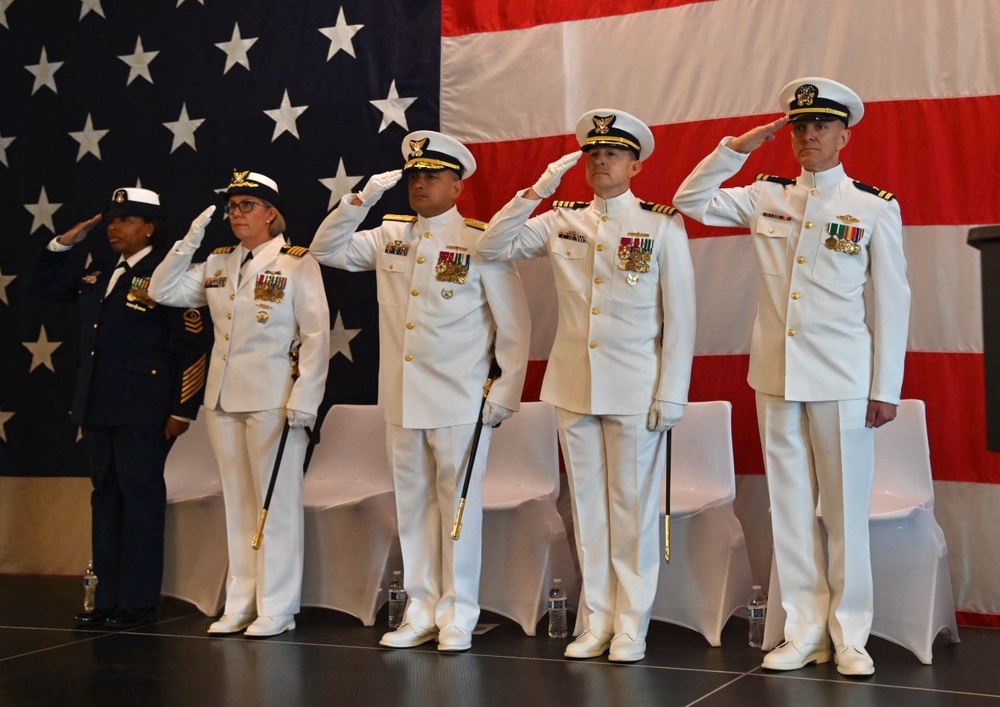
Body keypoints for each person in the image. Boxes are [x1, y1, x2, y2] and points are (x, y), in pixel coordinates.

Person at [672, 77, 910, 676]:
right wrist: (737, 147)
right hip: (775, 377)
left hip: (843, 380)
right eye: (800, 126)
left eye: (821, 125)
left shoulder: (872, 205)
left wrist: (885, 387)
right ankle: (803, 629)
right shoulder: (764, 195)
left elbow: (894, 300)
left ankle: (850, 633)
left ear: (843, 135)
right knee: (791, 506)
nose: (808, 135)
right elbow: (690, 200)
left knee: (846, 511)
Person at [476, 109, 696, 663]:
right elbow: (492, 246)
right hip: (575, 386)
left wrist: (672, 391)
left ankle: (631, 623)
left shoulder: (661, 224)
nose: (601, 161)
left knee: (632, 508)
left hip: (636, 389)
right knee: (589, 509)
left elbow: (682, 317)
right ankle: (596, 618)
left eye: (614, 154)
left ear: (635, 164)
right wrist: (537, 189)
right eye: (595, 154)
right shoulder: (559, 220)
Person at [310, 131, 530, 652]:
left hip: (459, 398)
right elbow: (326, 249)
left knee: (456, 507)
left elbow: (514, 325)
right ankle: (420, 607)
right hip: (403, 398)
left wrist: (505, 390)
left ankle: (458, 613)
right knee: (412, 507)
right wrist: (361, 198)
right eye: (414, 175)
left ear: (457, 185)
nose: (419, 183)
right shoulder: (390, 234)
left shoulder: (482, 238)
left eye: (432, 175)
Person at [148, 171, 329, 638]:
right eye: (232, 207)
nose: (236, 214)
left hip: (274, 399)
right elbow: (160, 291)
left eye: (247, 205)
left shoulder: (295, 262)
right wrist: (188, 242)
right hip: (223, 398)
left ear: (271, 212)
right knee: (239, 504)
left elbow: (314, 336)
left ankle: (278, 606)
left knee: (277, 504)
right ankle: (242, 599)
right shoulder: (219, 261)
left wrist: (305, 398)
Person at [26, 187, 209, 630]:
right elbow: (41, 288)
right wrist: (61, 244)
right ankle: (105, 599)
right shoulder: (99, 273)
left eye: (126, 220)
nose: (114, 227)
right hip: (98, 407)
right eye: (112, 220)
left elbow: (192, 344)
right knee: (105, 501)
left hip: (144, 411)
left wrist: (183, 409)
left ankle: (140, 602)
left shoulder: (167, 273)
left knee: (140, 503)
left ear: (150, 228)